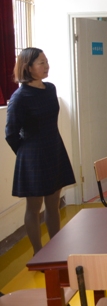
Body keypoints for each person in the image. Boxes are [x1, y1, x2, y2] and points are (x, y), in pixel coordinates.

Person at [5, 48, 76, 255]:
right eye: (41, 63)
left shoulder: (50, 89)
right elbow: (10, 133)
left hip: (54, 149)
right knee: (34, 207)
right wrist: (26, 155)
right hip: (33, 156)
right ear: (28, 68)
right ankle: (38, 253)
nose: (46, 66)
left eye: (46, 61)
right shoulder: (19, 97)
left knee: (53, 204)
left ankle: (57, 247)